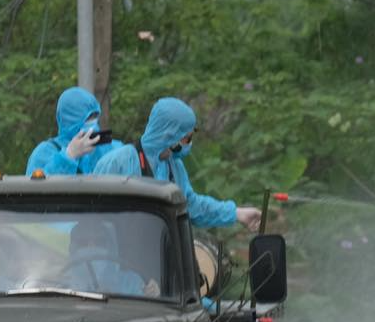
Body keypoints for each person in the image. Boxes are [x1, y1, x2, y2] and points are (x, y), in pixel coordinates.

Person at [91, 96, 261, 230]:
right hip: (117, 262)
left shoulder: (173, 166)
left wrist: (236, 213)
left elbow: (192, 206)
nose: (189, 142)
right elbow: (95, 217)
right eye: (187, 137)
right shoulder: (118, 162)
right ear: (169, 136)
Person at [25, 87, 107, 177]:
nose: (93, 124)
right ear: (69, 120)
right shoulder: (44, 152)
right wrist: (69, 155)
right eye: (88, 118)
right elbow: (36, 188)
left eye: (95, 117)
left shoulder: (104, 149)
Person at [61, 217, 150, 297]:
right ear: (72, 249)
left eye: (100, 242)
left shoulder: (131, 282)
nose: (92, 248)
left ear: (110, 247)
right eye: (83, 242)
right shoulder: (60, 286)